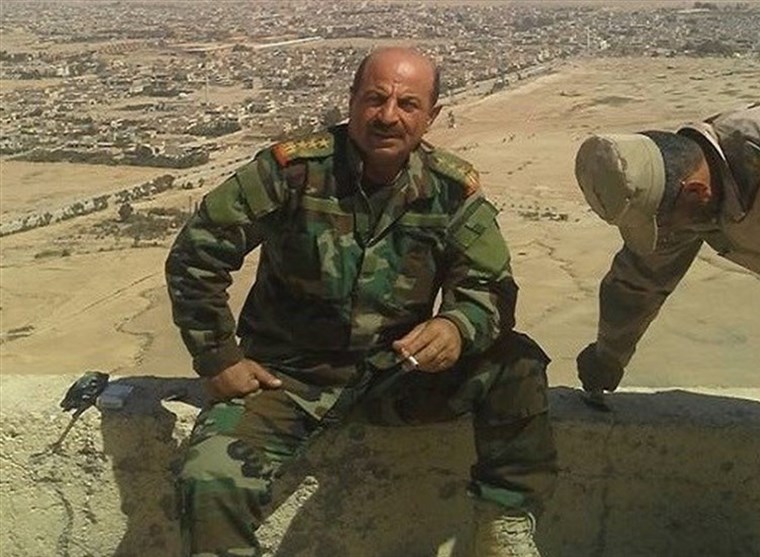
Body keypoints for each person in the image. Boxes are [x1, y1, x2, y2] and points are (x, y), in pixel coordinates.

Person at [166, 47, 557, 557]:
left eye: (408, 104)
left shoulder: (449, 191)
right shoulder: (292, 171)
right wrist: (218, 356)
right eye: (375, 99)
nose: (388, 116)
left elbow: (492, 287)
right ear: (351, 101)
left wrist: (457, 326)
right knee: (208, 480)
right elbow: (197, 252)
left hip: (395, 375)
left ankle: (502, 525)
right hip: (286, 380)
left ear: (431, 115)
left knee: (517, 362)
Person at [573, 102, 760, 417]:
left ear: (695, 192)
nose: (664, 235)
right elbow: (640, 282)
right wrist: (608, 356)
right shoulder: (678, 188)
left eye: (662, 225)